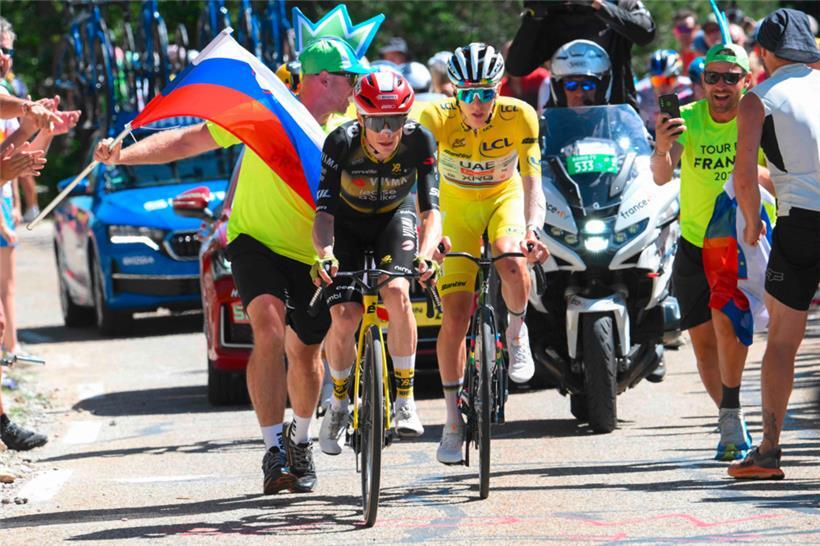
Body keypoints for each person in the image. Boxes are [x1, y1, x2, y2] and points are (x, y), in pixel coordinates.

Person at [94, 37, 370, 494]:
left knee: (305, 354)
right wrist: (123, 153)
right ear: (324, 78)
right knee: (265, 325)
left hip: (316, 253)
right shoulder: (263, 110)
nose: (355, 87)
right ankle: (273, 450)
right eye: (350, 78)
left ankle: (299, 440)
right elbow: (189, 139)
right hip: (253, 240)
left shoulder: (352, 131)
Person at [418, 42, 548, 464]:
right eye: (467, 93)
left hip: (502, 200)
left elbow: (532, 181)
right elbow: (417, 186)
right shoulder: (433, 117)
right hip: (455, 209)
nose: (476, 103)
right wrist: (426, 236)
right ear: (453, 89)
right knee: (454, 316)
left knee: (512, 259)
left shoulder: (519, 116)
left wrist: (533, 230)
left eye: (485, 92)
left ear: (500, 88)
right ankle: (453, 422)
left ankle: (515, 330)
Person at [312, 72, 442, 454]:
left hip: (393, 218)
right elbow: (323, 215)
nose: (387, 132)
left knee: (398, 292)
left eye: (396, 120)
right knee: (345, 316)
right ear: (360, 115)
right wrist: (325, 255)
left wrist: (427, 253)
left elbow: (431, 211)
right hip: (347, 225)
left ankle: (405, 399)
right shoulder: (340, 142)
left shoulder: (420, 140)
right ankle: (338, 402)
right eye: (377, 121)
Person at [651, 43, 769, 462]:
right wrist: (662, 148)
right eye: (712, 77)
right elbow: (662, 178)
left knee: (728, 325)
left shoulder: (757, 118)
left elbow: (776, 177)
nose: (720, 86)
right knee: (702, 344)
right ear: (701, 82)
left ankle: (733, 410)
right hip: (694, 242)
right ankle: (729, 419)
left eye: (730, 77)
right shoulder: (688, 118)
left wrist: (749, 174)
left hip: (739, 242)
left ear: (746, 81)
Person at [729, 8, 820, 480]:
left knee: (784, 340)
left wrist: (750, 223)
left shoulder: (757, 99)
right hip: (804, 207)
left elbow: (745, 177)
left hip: (801, 225)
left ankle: (767, 452)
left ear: (763, 52)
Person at [506, 0, 655, 111]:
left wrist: (598, 5)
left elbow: (646, 33)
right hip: (565, 120)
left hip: (616, 116)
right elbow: (517, 67)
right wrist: (534, 17)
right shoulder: (552, 12)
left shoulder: (621, 3)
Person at [636, 49, 693, 135]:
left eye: (669, 80)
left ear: (678, 78)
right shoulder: (640, 92)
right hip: (648, 134)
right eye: (658, 80)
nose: (663, 86)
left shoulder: (689, 87)